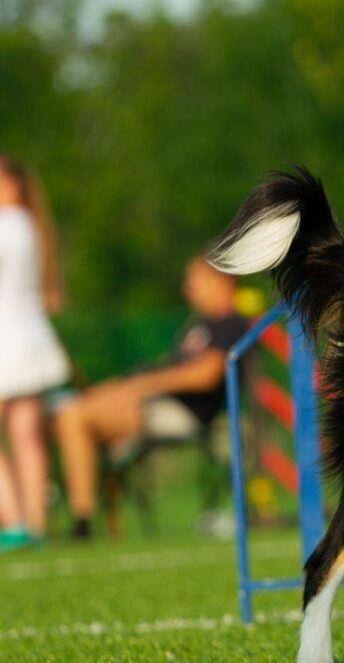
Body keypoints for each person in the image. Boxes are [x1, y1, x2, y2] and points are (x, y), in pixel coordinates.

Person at [55, 257, 248, 539]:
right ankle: (64, 514)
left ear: (221, 281)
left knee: (73, 416)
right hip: (157, 404)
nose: (187, 288)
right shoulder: (198, 325)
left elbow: (206, 375)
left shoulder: (231, 323)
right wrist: (122, 387)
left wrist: (140, 387)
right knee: (66, 411)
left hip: (184, 412)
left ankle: (81, 521)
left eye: (193, 280)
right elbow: (170, 369)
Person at [0, 156, 70, 551]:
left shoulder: (5, 225)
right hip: (31, 335)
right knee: (27, 436)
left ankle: (12, 520)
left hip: (6, 336)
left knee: (21, 435)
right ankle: (37, 524)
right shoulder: (31, 225)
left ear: (12, 185)